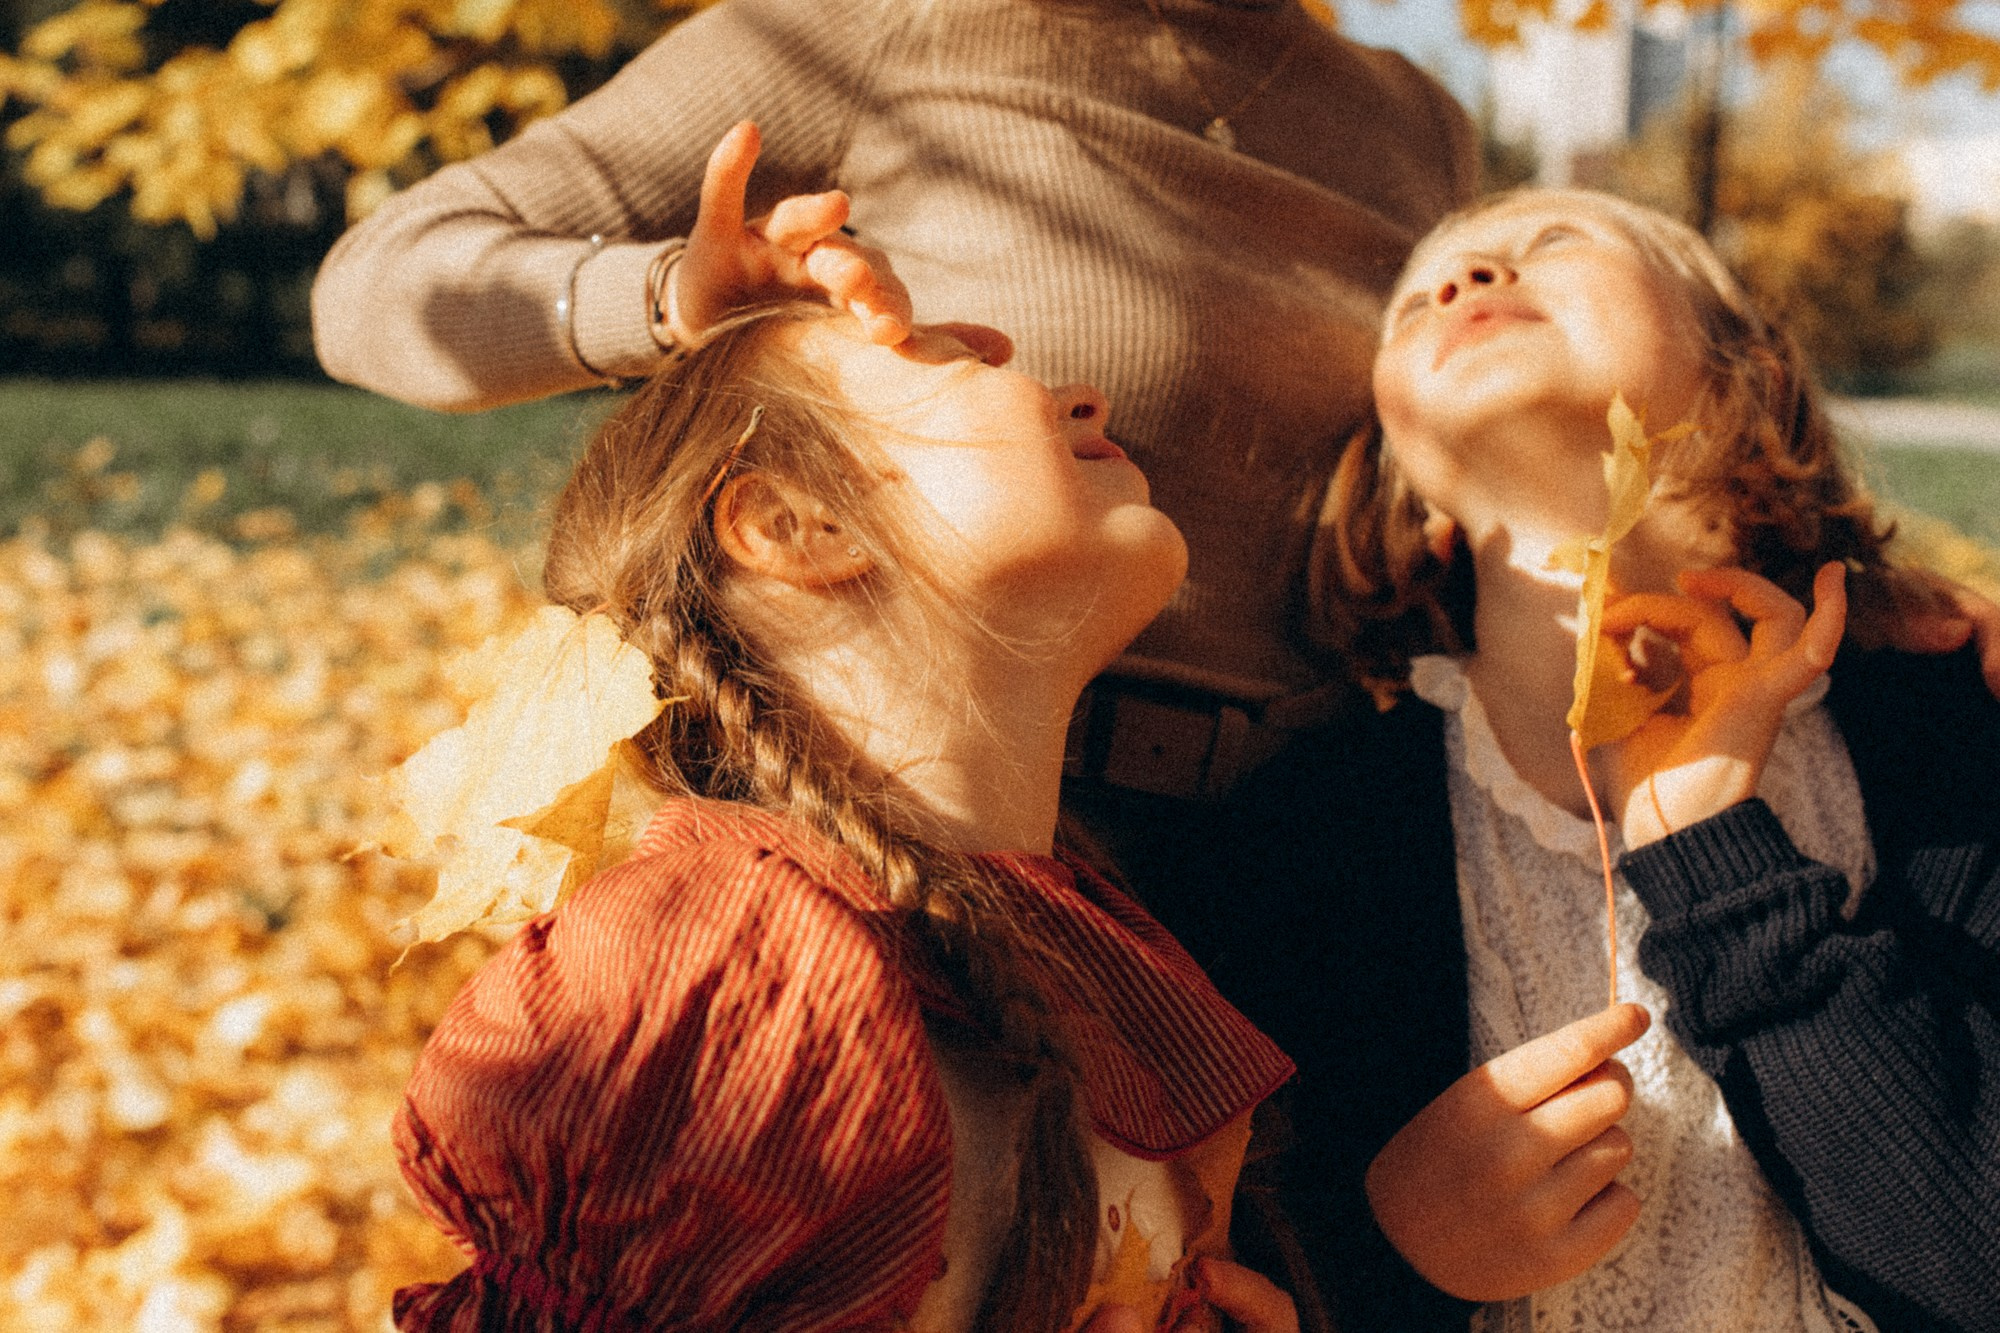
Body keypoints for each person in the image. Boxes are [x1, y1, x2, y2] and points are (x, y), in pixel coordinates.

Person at [387, 299, 1309, 1331]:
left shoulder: (1091, 955)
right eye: (953, 358)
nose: (1084, 393)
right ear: (792, 525)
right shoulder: (725, 965)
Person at [309, 0, 1482, 804]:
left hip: (1340, 825)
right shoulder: (868, 29)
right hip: (955, 818)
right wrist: (666, 296)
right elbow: (380, 288)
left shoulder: (1409, 117)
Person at [1209, 188, 2000, 1333]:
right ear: (1409, 493)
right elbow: (1237, 1264)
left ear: (1748, 382)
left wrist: (1716, 870)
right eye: (1414, 301)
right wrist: (1391, 1247)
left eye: (1550, 243)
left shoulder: (1939, 749)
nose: (1463, 281)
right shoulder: (1314, 828)